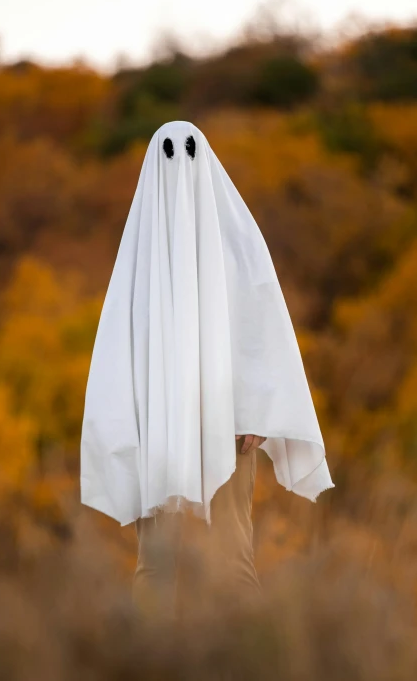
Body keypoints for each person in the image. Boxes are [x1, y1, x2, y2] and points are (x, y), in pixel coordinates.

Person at [80, 120, 334, 617]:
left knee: (234, 564)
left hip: (230, 430)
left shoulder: (239, 243)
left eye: (190, 150)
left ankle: (248, 666)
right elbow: (118, 352)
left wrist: (259, 414)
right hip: (158, 429)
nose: (181, 162)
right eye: (169, 152)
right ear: (154, 165)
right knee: (155, 566)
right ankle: (149, 669)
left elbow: (263, 329)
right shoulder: (139, 256)